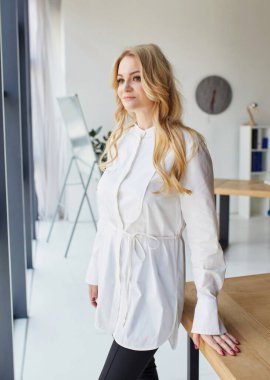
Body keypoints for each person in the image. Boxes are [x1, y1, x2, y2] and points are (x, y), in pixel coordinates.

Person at [85, 43, 240, 380]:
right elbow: (108, 218)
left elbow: (203, 235)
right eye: (121, 79)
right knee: (142, 371)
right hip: (116, 277)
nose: (125, 87)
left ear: (157, 81)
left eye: (136, 78)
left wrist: (207, 307)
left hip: (152, 286)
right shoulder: (120, 140)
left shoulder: (187, 146)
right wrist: (95, 270)